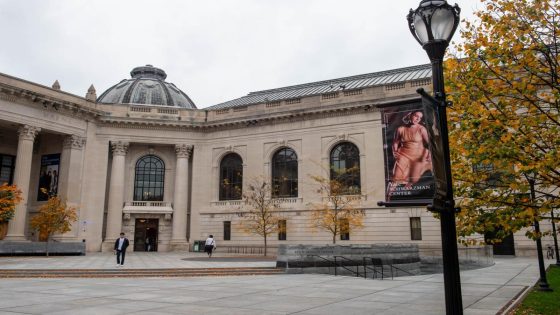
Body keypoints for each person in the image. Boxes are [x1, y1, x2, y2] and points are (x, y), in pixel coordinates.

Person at [388, 111, 432, 198]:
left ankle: (409, 192)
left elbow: (429, 143)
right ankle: (387, 197)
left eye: (420, 117)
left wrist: (430, 154)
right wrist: (394, 151)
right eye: (416, 116)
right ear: (410, 115)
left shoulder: (421, 128)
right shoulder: (400, 129)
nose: (418, 119)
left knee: (414, 178)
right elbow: (395, 142)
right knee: (396, 177)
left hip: (418, 155)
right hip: (404, 154)